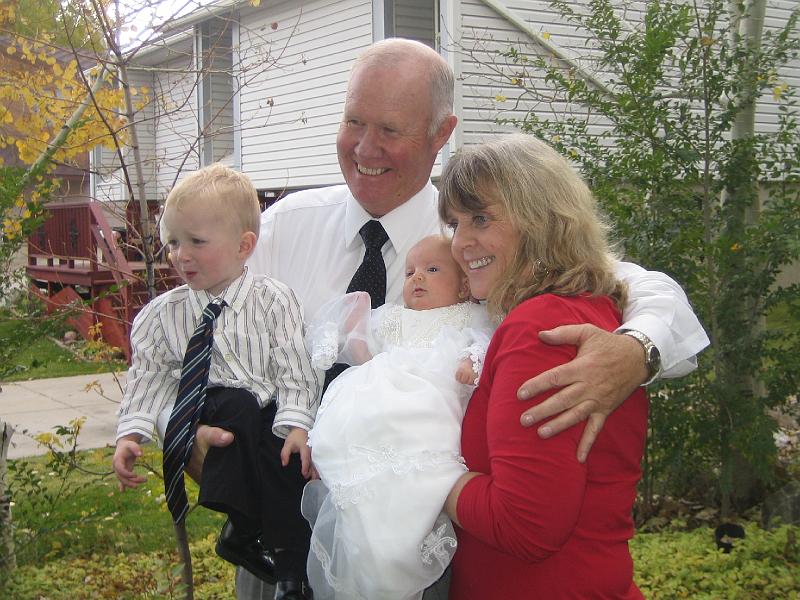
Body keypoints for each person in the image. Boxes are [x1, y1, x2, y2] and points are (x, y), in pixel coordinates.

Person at [171, 39, 708, 600]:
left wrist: (636, 348)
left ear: (441, 133)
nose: (365, 146)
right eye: (354, 120)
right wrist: (179, 430)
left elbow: (632, 284)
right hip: (277, 537)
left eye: (390, 129)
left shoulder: (475, 233)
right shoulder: (282, 229)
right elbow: (179, 343)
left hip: (422, 557)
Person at [441, 134, 649, 598]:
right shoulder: (591, 307)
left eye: (480, 218)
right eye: (455, 224)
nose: (461, 243)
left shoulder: (540, 325)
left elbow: (525, 526)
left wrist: (426, 476)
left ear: (541, 218)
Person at [112, 164, 320, 600]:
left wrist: (297, 425)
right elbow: (148, 377)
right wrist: (132, 432)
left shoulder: (273, 300)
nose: (180, 255)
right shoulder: (162, 315)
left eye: (196, 242)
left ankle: (286, 567)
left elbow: (293, 366)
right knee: (239, 408)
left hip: (263, 411)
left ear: (244, 245)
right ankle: (243, 525)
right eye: (172, 242)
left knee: (284, 459)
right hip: (209, 405)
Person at [303, 235, 493, 600]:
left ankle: (395, 554)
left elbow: (487, 338)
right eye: (409, 271)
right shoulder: (393, 317)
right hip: (378, 403)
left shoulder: (469, 314)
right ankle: (370, 550)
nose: (417, 278)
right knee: (363, 470)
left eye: (432, 270)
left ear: (464, 284)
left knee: (414, 481)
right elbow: (361, 345)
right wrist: (348, 330)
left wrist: (473, 359)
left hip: (429, 405)